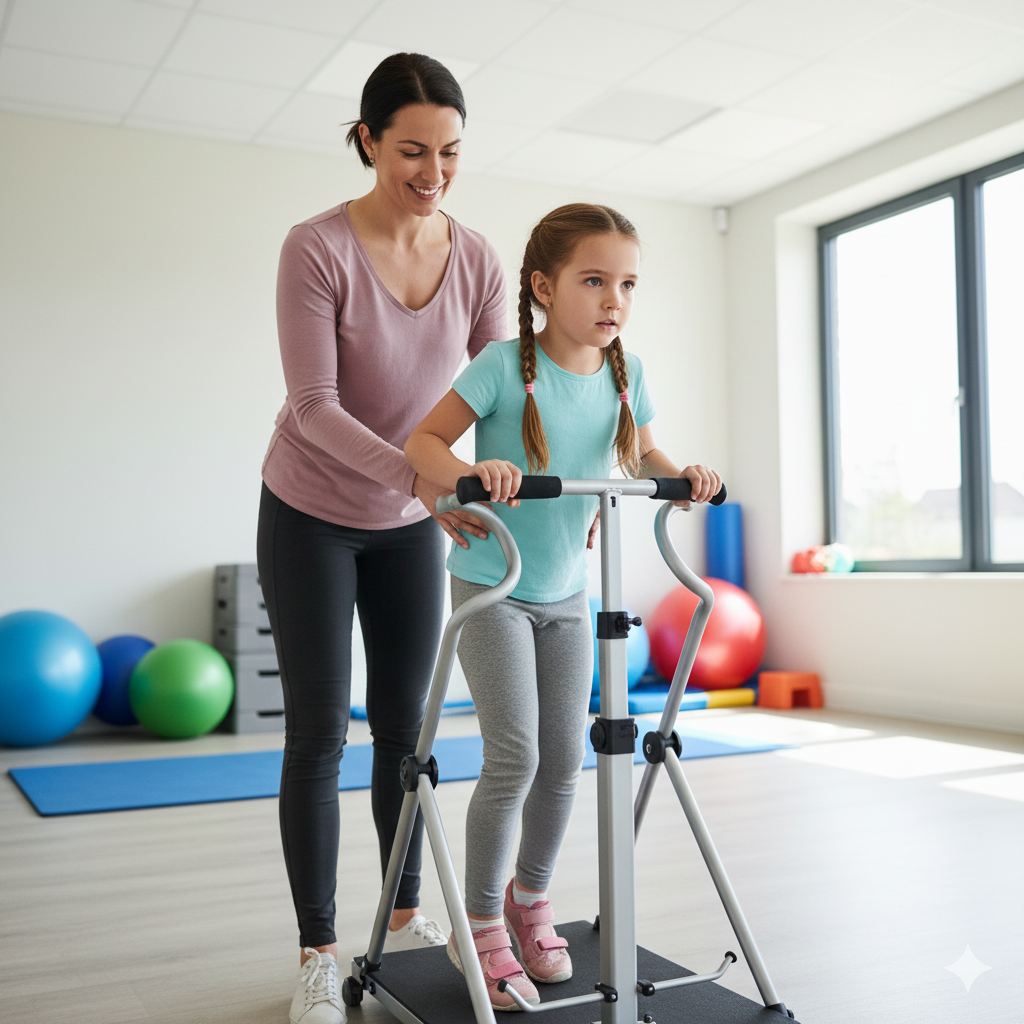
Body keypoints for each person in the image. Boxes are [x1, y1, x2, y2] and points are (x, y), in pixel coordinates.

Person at [404, 203, 723, 1011]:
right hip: (495, 584)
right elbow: (423, 446)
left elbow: (647, 455)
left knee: (565, 759)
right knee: (514, 757)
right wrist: (481, 471)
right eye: (593, 280)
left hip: (569, 594)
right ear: (545, 287)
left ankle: (528, 900)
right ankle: (476, 924)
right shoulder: (503, 365)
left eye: (626, 283)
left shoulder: (629, 373)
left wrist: (687, 479)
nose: (613, 298)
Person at [256, 53, 508, 1024]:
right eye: (411, 150)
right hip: (311, 511)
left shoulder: (476, 255)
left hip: (411, 527)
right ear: (366, 140)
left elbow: (495, 393)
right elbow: (313, 407)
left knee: (405, 734)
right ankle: (318, 951)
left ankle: (400, 917)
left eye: (449, 151)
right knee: (320, 733)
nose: (433, 171)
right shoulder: (315, 247)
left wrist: (510, 481)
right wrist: (420, 479)